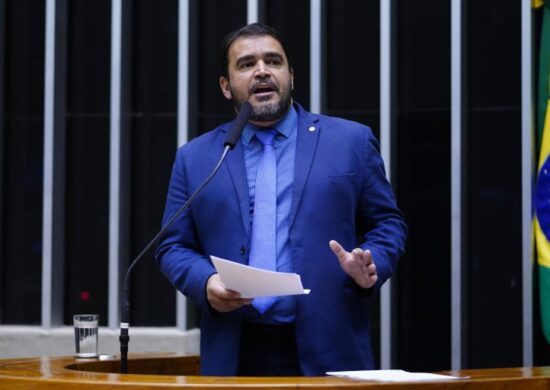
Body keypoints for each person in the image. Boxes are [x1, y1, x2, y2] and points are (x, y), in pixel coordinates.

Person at [156, 23, 407, 376]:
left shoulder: (351, 142)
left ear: (290, 75)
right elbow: (172, 246)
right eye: (246, 64)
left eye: (273, 61)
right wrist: (206, 283)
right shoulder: (196, 158)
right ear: (226, 87)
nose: (261, 71)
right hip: (236, 350)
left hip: (329, 349)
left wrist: (371, 264)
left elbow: (387, 224)